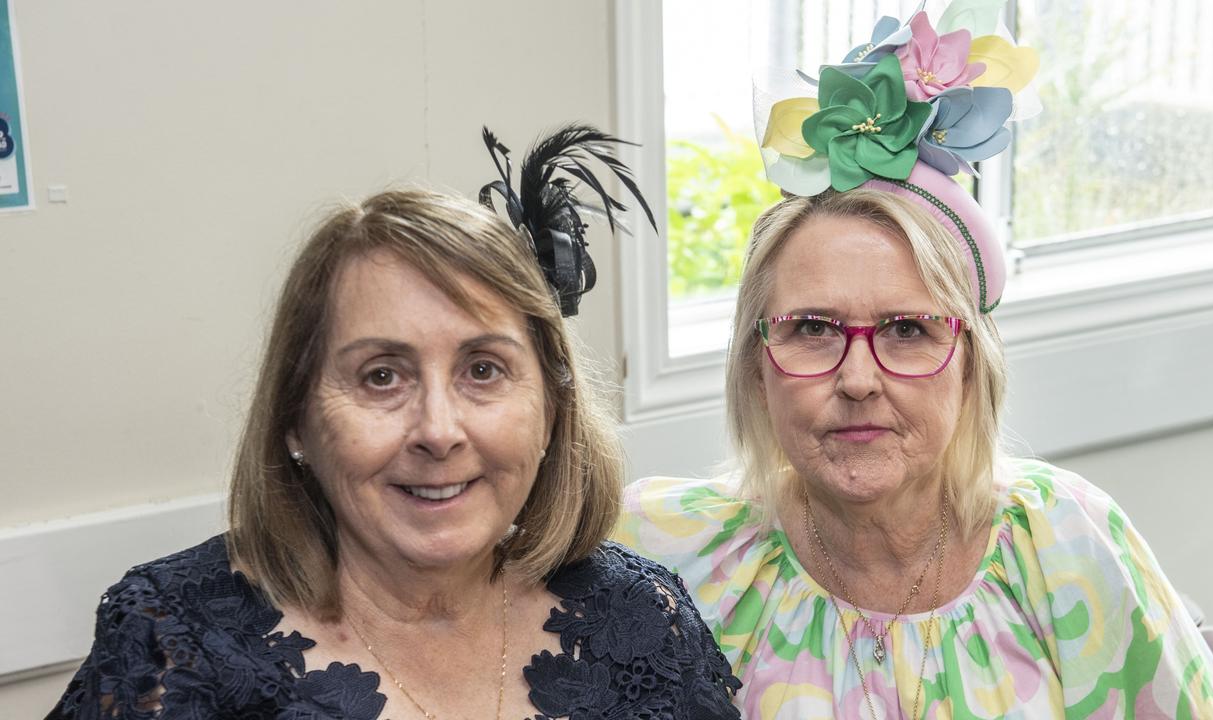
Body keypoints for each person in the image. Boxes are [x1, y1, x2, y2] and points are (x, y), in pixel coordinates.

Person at [615, 9, 1213, 719]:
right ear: (756, 366)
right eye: (813, 328)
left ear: (970, 365)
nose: (858, 380)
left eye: (909, 329)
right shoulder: (662, 554)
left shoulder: (1068, 540)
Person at [49, 126, 741, 719]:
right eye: (382, 376)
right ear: (295, 419)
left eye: (483, 370)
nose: (438, 431)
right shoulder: (171, 641)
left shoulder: (643, 618)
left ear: (552, 406)